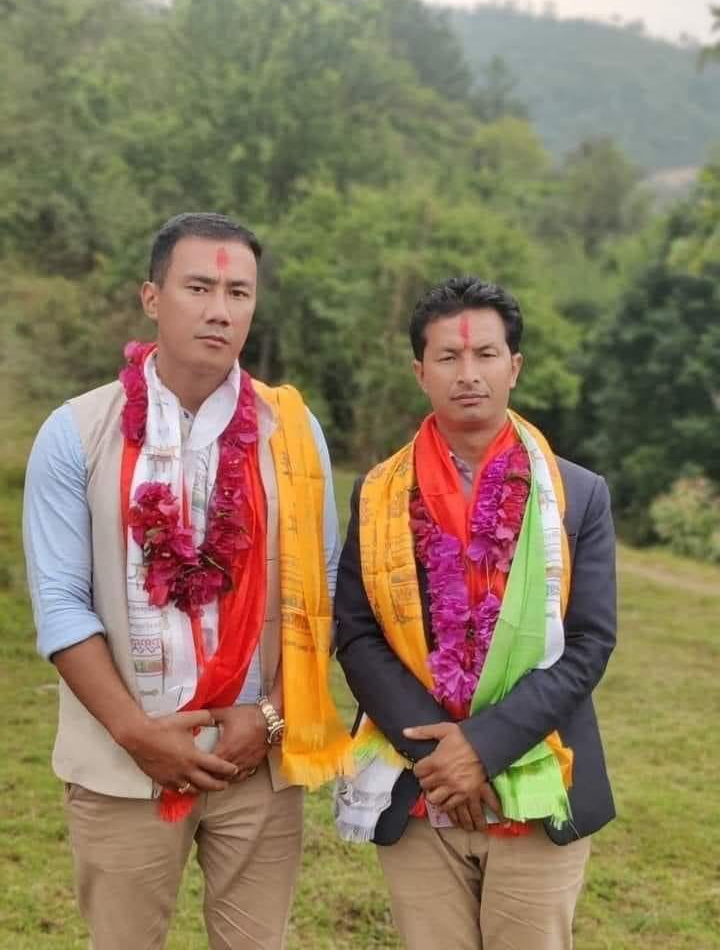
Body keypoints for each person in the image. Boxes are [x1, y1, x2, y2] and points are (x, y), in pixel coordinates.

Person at [23, 212, 352, 950]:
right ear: (151, 297)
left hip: (256, 761)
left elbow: (321, 588)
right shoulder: (77, 432)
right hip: (123, 764)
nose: (219, 310)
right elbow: (61, 603)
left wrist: (270, 716)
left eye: (239, 293)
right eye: (198, 287)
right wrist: (137, 734)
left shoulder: (292, 431)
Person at [334, 276, 616, 950]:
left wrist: (482, 748)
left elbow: (589, 641)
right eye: (449, 357)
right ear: (420, 372)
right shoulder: (379, 494)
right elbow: (358, 633)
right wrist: (440, 758)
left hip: (540, 778)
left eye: (485, 355)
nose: (468, 374)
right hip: (419, 786)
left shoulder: (577, 495)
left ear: (514, 367)